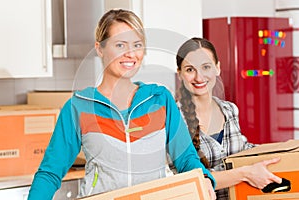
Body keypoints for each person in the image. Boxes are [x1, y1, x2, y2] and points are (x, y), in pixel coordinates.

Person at [28, 10, 216, 200]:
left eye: (137, 45)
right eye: (120, 45)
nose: (131, 54)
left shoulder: (160, 100)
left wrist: (205, 178)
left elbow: (186, 159)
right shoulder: (78, 107)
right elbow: (50, 172)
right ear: (100, 48)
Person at [175, 37, 282, 199]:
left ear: (217, 68)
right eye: (190, 69)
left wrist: (283, 154)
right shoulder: (173, 120)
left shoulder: (229, 110)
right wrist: (244, 173)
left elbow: (243, 150)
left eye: (206, 67)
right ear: (180, 74)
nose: (199, 77)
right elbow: (187, 180)